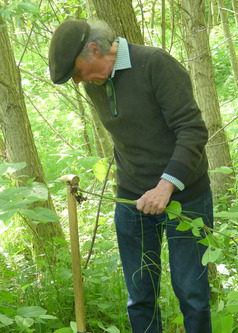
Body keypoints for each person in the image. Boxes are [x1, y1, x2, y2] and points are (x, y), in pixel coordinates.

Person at [49, 19, 213, 333]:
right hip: (131, 198)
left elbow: (192, 131)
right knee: (139, 296)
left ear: (94, 50)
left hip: (185, 194)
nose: (78, 82)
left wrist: (166, 186)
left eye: (78, 72)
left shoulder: (155, 64)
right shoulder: (94, 82)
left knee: (191, 294)